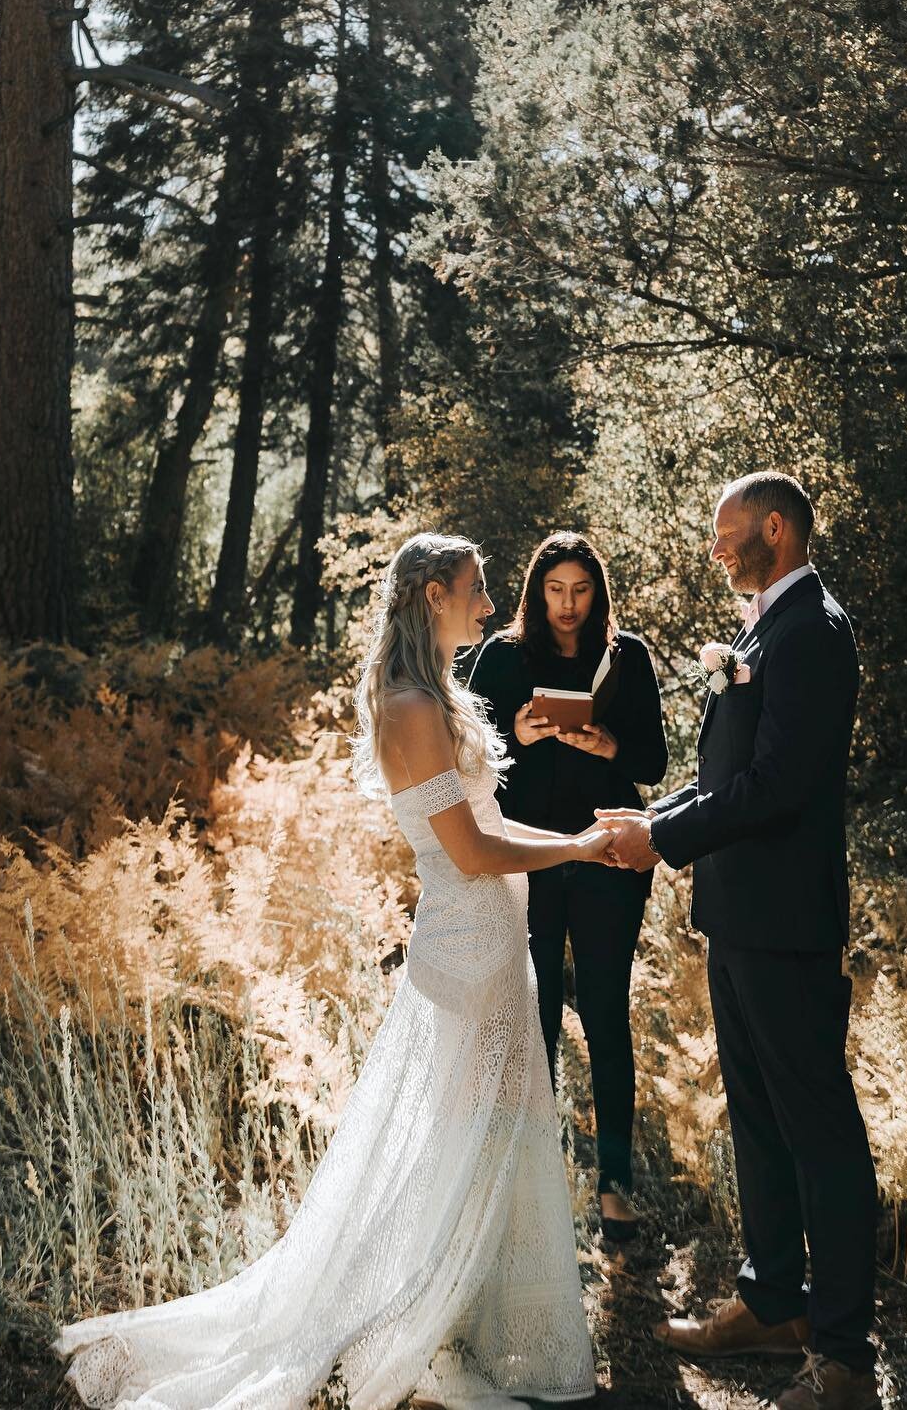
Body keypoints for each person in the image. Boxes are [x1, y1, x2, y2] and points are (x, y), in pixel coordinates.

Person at [54, 532, 613, 1410]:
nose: (490, 604)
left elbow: (489, 824)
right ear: (433, 594)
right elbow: (467, 852)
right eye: (476, 588)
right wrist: (579, 846)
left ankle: (455, 1331)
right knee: (463, 1149)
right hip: (466, 951)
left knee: (488, 1140)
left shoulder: (437, 698)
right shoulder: (409, 708)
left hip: (496, 942)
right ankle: (412, 1337)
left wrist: (585, 844)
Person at [596, 473, 880, 1410]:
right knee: (758, 1120)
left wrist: (662, 838)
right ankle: (771, 1305)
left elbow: (777, 787)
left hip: (788, 924)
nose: (715, 548)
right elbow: (728, 772)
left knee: (820, 1133)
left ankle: (842, 1360)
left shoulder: (813, 633)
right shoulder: (765, 629)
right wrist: (648, 818)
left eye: (727, 533)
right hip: (738, 917)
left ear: (775, 528)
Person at [470, 533, 668, 1245]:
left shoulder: (628, 656)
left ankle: (615, 1192)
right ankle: (535, 1193)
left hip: (609, 858)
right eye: (555, 589)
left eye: (581, 590)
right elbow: (470, 766)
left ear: (599, 592)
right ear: (535, 590)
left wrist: (611, 745)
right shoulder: (502, 657)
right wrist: (518, 734)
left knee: (608, 1016)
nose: (568, 605)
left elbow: (654, 759)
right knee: (536, 1018)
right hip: (527, 858)